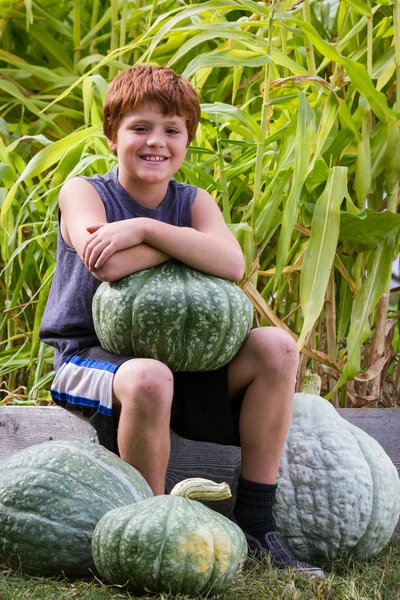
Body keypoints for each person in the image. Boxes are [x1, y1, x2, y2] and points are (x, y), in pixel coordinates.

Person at [39, 64, 323, 576]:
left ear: (187, 141)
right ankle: (145, 528)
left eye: (172, 130)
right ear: (112, 138)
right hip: (90, 359)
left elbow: (232, 264)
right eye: (140, 128)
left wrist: (144, 228)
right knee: (150, 374)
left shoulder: (192, 202)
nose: (156, 142)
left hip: (182, 372)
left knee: (277, 347)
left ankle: (257, 524)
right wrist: (191, 249)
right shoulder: (83, 193)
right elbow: (107, 262)